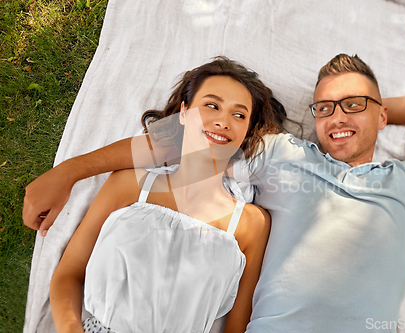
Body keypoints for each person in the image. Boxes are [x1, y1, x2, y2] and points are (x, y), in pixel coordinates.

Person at [26, 54, 405, 332]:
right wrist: (69, 171)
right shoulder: (283, 153)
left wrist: (374, 107)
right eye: (324, 108)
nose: (337, 117)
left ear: (382, 115)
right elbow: (187, 138)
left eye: (353, 105)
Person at [48, 57, 283, 333]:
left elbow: (237, 327)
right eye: (212, 105)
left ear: (246, 132)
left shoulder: (251, 224)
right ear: (183, 113)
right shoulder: (129, 185)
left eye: (239, 115)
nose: (223, 121)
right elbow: (69, 273)